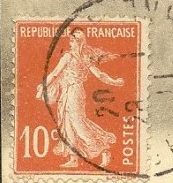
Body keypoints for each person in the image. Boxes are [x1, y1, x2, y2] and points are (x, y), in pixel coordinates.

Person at [35, 27, 123, 168]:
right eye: (73, 39)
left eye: (75, 39)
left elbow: (56, 73)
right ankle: (73, 158)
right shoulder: (81, 56)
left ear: (76, 41)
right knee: (67, 123)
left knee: (77, 123)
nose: (73, 41)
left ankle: (103, 149)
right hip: (69, 92)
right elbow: (98, 74)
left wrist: (42, 87)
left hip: (74, 92)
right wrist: (114, 81)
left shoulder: (72, 56)